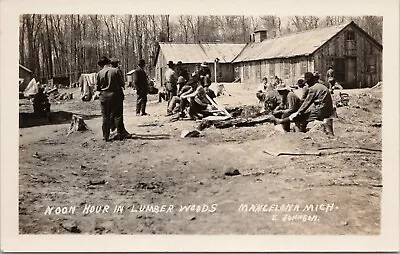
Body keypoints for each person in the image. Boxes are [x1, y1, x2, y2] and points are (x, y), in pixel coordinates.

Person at [96, 56, 126, 141]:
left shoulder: (99, 73)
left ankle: (105, 136)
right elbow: (122, 83)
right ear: (108, 62)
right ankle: (120, 135)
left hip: (104, 97)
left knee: (105, 117)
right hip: (115, 96)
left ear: (101, 65)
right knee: (118, 116)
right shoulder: (115, 71)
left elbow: (97, 88)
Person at [110, 58, 131, 137]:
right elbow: (122, 83)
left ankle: (113, 129)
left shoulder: (106, 71)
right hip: (117, 94)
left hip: (108, 96)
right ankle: (120, 132)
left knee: (111, 114)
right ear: (116, 64)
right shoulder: (116, 71)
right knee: (118, 114)